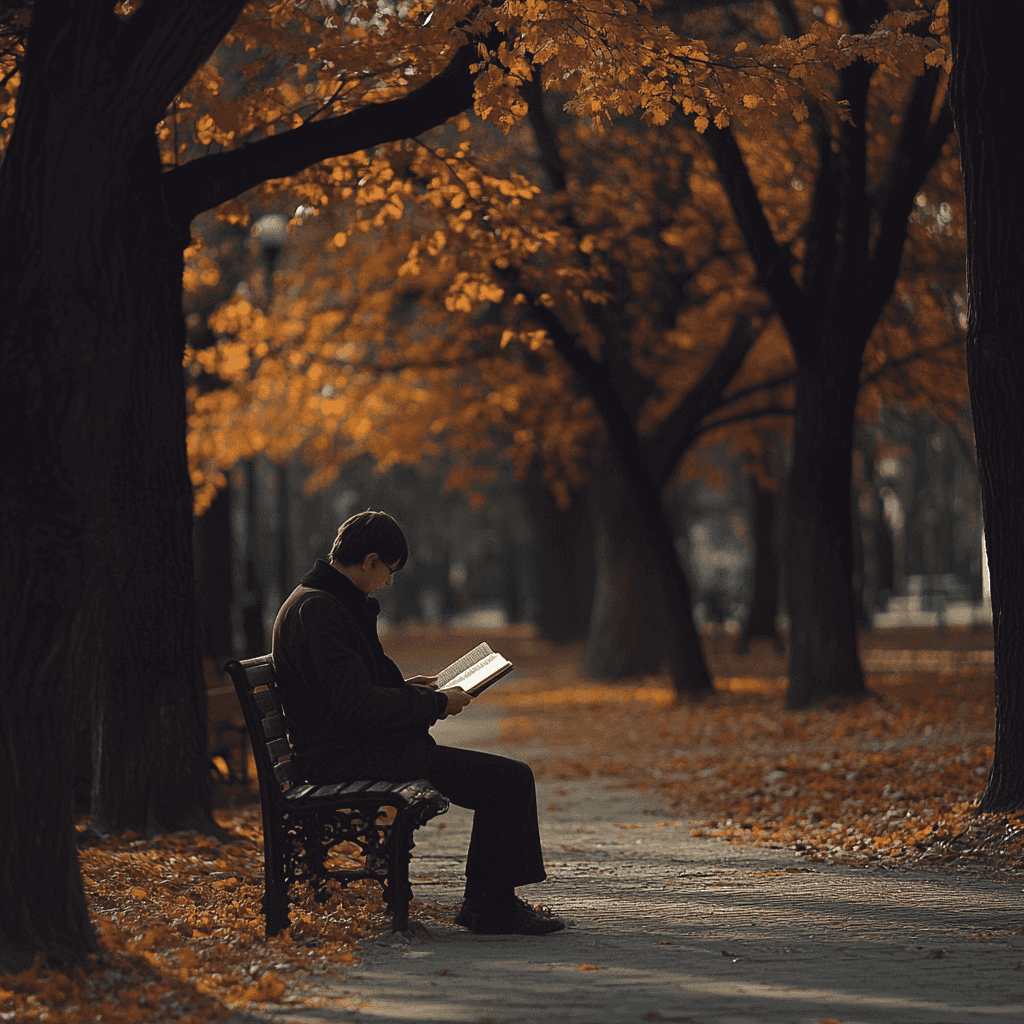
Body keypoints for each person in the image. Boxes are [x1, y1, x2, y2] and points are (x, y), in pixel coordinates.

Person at [271, 510, 564, 936]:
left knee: (505, 779)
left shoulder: (323, 601)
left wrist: (412, 689)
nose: (388, 583)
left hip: (348, 749)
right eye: (388, 571)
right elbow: (357, 707)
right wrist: (433, 705)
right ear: (370, 560)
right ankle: (491, 906)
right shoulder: (321, 609)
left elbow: (348, 691)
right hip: (347, 758)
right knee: (509, 781)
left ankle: (488, 903)